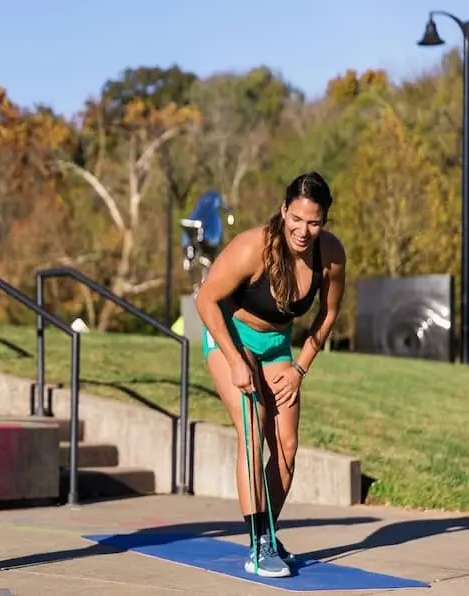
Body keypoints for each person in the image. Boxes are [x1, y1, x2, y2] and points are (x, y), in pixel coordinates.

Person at [194, 171, 346, 578]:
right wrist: (235, 360)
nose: (303, 230)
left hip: (277, 346)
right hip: (230, 335)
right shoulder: (253, 247)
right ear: (284, 211)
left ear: (324, 221)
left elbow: (328, 315)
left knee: (287, 446)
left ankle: (266, 531)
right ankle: (260, 544)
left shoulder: (329, 255)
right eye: (296, 219)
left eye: (313, 222)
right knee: (253, 426)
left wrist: (300, 368)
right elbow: (206, 299)